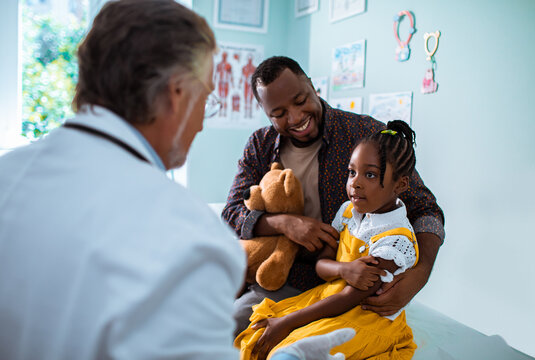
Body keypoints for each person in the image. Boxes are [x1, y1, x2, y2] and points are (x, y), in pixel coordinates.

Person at [0, 2, 352, 359]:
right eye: (206, 98)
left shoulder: (7, 174)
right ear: (177, 93)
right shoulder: (188, 235)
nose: (201, 122)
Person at [222, 56, 445, 336]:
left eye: (301, 100)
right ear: (266, 113)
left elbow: (426, 209)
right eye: (278, 113)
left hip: (351, 289)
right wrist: (285, 223)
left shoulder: (365, 136)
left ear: (313, 86)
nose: (295, 117)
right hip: (284, 279)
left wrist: (421, 272)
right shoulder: (260, 145)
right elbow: (231, 212)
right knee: (229, 331)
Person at [235, 120, 420, 360]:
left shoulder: (396, 240)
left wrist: (287, 322)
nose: (356, 182)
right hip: (329, 299)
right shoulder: (347, 212)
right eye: (352, 172)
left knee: (289, 353)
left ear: (401, 184)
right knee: (258, 334)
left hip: (362, 317)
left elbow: (350, 298)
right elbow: (322, 267)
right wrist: (345, 269)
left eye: (371, 174)